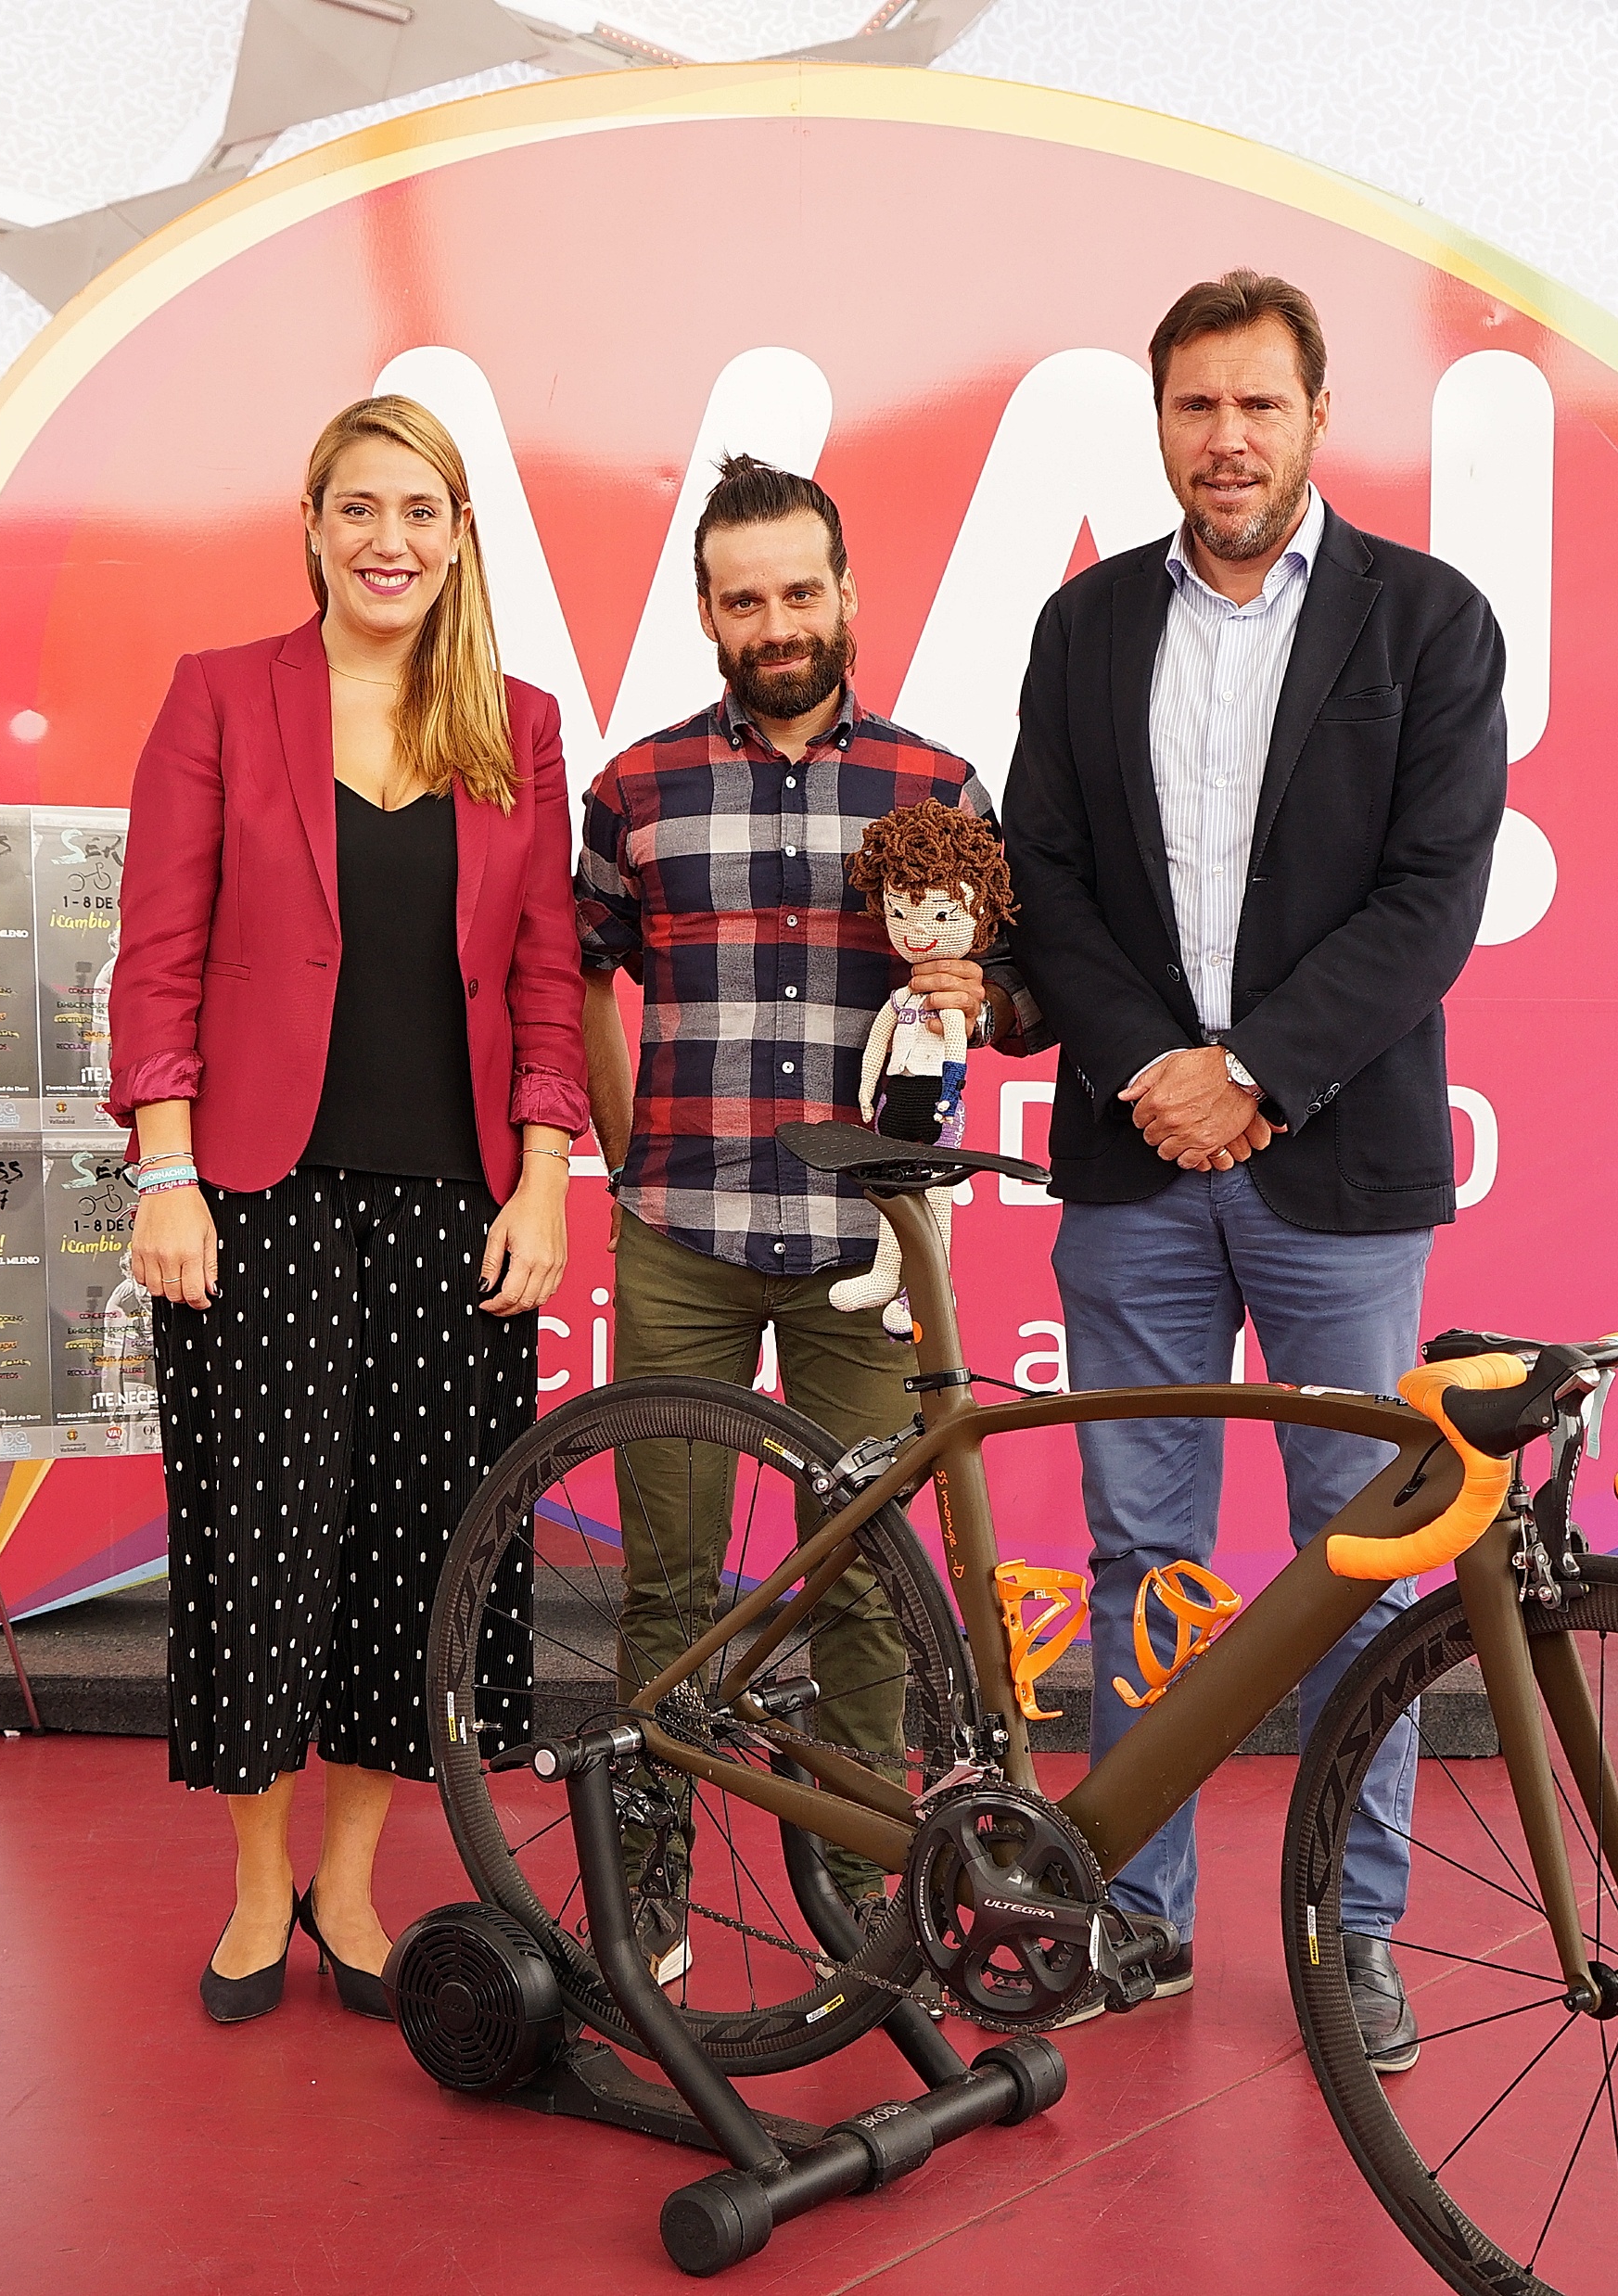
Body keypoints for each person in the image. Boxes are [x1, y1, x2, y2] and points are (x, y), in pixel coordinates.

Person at [1001, 271, 1509, 2066]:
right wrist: (1153, 1067)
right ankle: (1134, 1911)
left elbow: (1430, 900)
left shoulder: (1426, 622)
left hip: (1332, 1169)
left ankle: (1349, 1930)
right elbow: (1046, 875)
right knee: (1141, 1550)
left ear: (1315, 418)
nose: (1225, 438)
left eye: (1256, 405)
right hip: (1134, 1154)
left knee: (1356, 1556)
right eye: (1194, 406)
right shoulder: (1084, 627)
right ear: (1159, 421)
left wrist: (1257, 1075)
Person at [110, 394, 589, 2028]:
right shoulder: (218, 697)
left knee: (419, 1556)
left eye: (420, 512)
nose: (390, 540)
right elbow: (157, 954)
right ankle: (258, 1886)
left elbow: (545, 976)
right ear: (311, 525)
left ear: (458, 538)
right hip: (255, 1197)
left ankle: (351, 1884)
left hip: (457, 1209)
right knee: (257, 1549)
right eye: (360, 508)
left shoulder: (516, 725)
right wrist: (165, 1169)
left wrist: (543, 1176)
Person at [574, 455, 1031, 1981]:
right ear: (706, 613)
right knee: (665, 1583)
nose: (773, 622)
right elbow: (576, 968)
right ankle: (648, 1883)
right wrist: (629, 1151)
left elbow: (1004, 987)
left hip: (865, 1255)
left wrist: (979, 996)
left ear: (845, 593)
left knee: (869, 1589)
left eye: (797, 591)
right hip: (681, 1241)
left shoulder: (937, 788)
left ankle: (858, 1889)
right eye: (741, 599)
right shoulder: (632, 789)